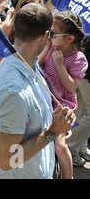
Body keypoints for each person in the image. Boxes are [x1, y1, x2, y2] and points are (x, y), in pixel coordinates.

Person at [0, 3, 76, 178]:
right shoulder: (14, 92)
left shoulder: (29, 63)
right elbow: (7, 160)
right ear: (45, 36)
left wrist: (59, 122)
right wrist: (52, 132)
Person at [39, 11, 88, 178]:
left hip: (61, 106)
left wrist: (60, 65)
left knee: (59, 145)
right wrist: (45, 49)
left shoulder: (78, 59)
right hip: (44, 98)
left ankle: (68, 176)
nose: (49, 35)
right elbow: (37, 65)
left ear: (69, 39)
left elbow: (71, 86)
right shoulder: (51, 48)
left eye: (53, 33)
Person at [67, 37, 90, 166]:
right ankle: (71, 148)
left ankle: (79, 147)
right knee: (85, 113)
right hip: (85, 74)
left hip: (83, 72)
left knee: (81, 111)